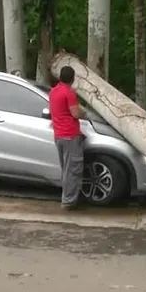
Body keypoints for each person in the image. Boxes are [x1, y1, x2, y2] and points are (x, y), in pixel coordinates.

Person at [49, 66, 85, 210]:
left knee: (66, 169)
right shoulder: (69, 93)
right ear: (73, 78)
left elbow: (54, 111)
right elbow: (75, 114)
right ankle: (68, 202)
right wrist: (82, 110)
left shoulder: (53, 92)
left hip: (59, 136)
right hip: (70, 135)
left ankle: (67, 198)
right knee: (73, 170)